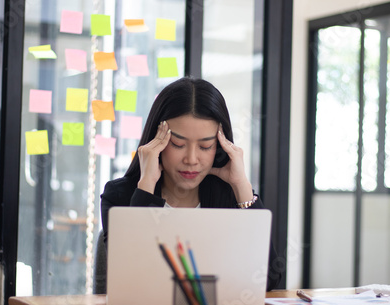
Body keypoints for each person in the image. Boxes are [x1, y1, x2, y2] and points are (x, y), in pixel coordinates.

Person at [100, 77, 281, 291]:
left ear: (220, 147)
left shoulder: (232, 197)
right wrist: (147, 185)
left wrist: (242, 186)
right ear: (156, 141)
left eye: (205, 146)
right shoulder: (121, 195)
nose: (192, 159)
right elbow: (129, 276)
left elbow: (269, 280)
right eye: (178, 144)